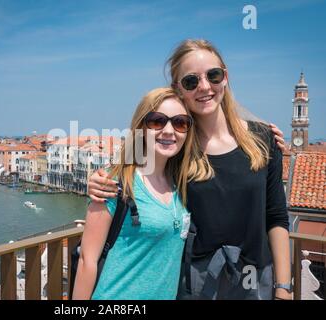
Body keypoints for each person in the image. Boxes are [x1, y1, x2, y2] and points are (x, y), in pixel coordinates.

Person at [87, 39, 291, 300]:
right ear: (178, 88)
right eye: (191, 81)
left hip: (255, 278)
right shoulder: (177, 145)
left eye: (213, 75)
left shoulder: (263, 140)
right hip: (196, 282)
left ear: (225, 77)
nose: (204, 87)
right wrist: (97, 179)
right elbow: (134, 168)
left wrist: (283, 288)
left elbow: (276, 215)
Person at [72, 88, 194, 300]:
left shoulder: (181, 182)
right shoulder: (115, 182)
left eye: (180, 122)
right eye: (157, 121)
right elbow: (87, 261)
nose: (168, 130)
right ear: (141, 127)